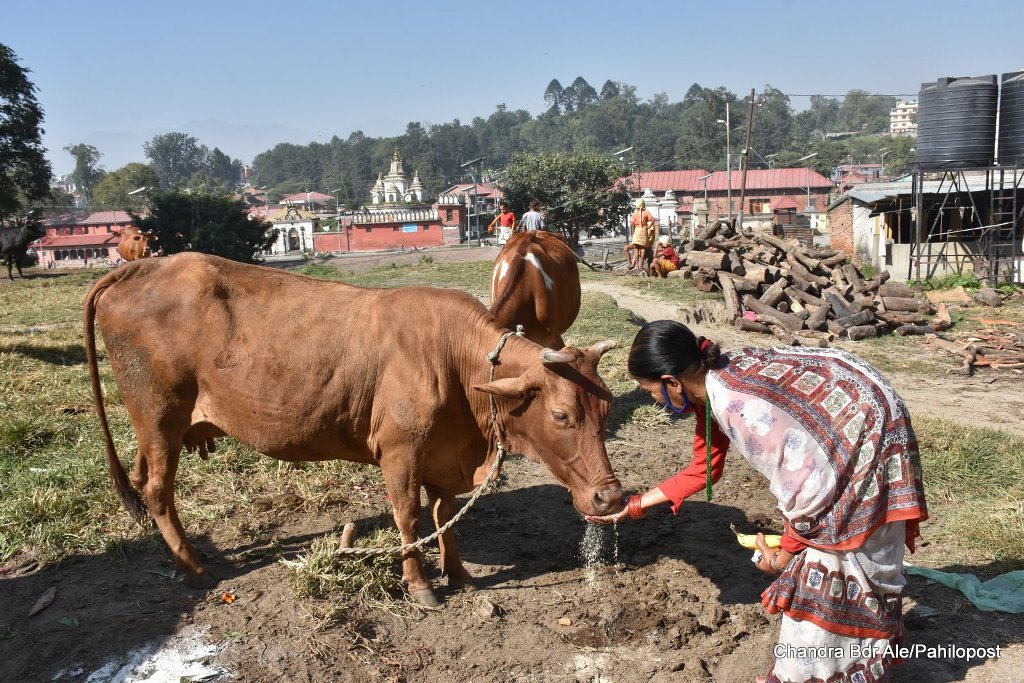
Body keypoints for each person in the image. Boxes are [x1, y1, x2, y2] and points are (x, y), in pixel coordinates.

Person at [587, 320, 927, 683]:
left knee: (834, 570)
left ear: (671, 382)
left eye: (649, 390)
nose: (653, 400)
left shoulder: (740, 408)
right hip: (860, 406)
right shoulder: (715, 380)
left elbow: (805, 491)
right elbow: (704, 469)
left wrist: (784, 556)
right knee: (838, 561)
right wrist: (636, 505)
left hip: (864, 430)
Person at [624, 199, 656, 271]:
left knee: (636, 248)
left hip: (637, 231)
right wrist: (648, 226)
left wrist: (633, 232)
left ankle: (636, 266)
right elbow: (653, 220)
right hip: (644, 230)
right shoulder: (646, 212)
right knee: (643, 248)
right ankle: (641, 265)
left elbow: (632, 224)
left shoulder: (635, 213)